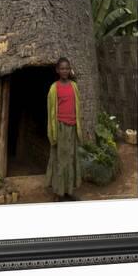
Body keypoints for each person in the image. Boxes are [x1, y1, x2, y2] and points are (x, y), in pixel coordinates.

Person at [44, 57, 83, 202]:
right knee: (60, 159)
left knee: (71, 158)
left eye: (67, 68)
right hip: (60, 127)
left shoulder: (74, 86)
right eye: (62, 68)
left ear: (69, 69)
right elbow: (51, 111)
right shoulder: (54, 88)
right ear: (57, 70)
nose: (65, 71)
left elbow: (78, 107)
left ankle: (69, 190)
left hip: (72, 127)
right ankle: (58, 192)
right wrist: (52, 130)